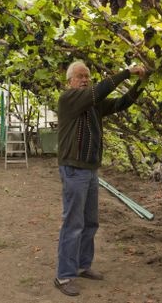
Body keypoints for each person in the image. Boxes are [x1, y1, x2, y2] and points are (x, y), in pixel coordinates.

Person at [54, 60, 148, 296]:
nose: (85, 80)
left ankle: (83, 265)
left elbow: (121, 103)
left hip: (90, 169)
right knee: (73, 224)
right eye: (80, 76)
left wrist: (141, 83)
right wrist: (127, 72)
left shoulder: (93, 105)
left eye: (87, 76)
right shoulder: (69, 100)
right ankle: (64, 276)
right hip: (74, 170)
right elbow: (100, 91)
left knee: (90, 222)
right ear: (70, 82)